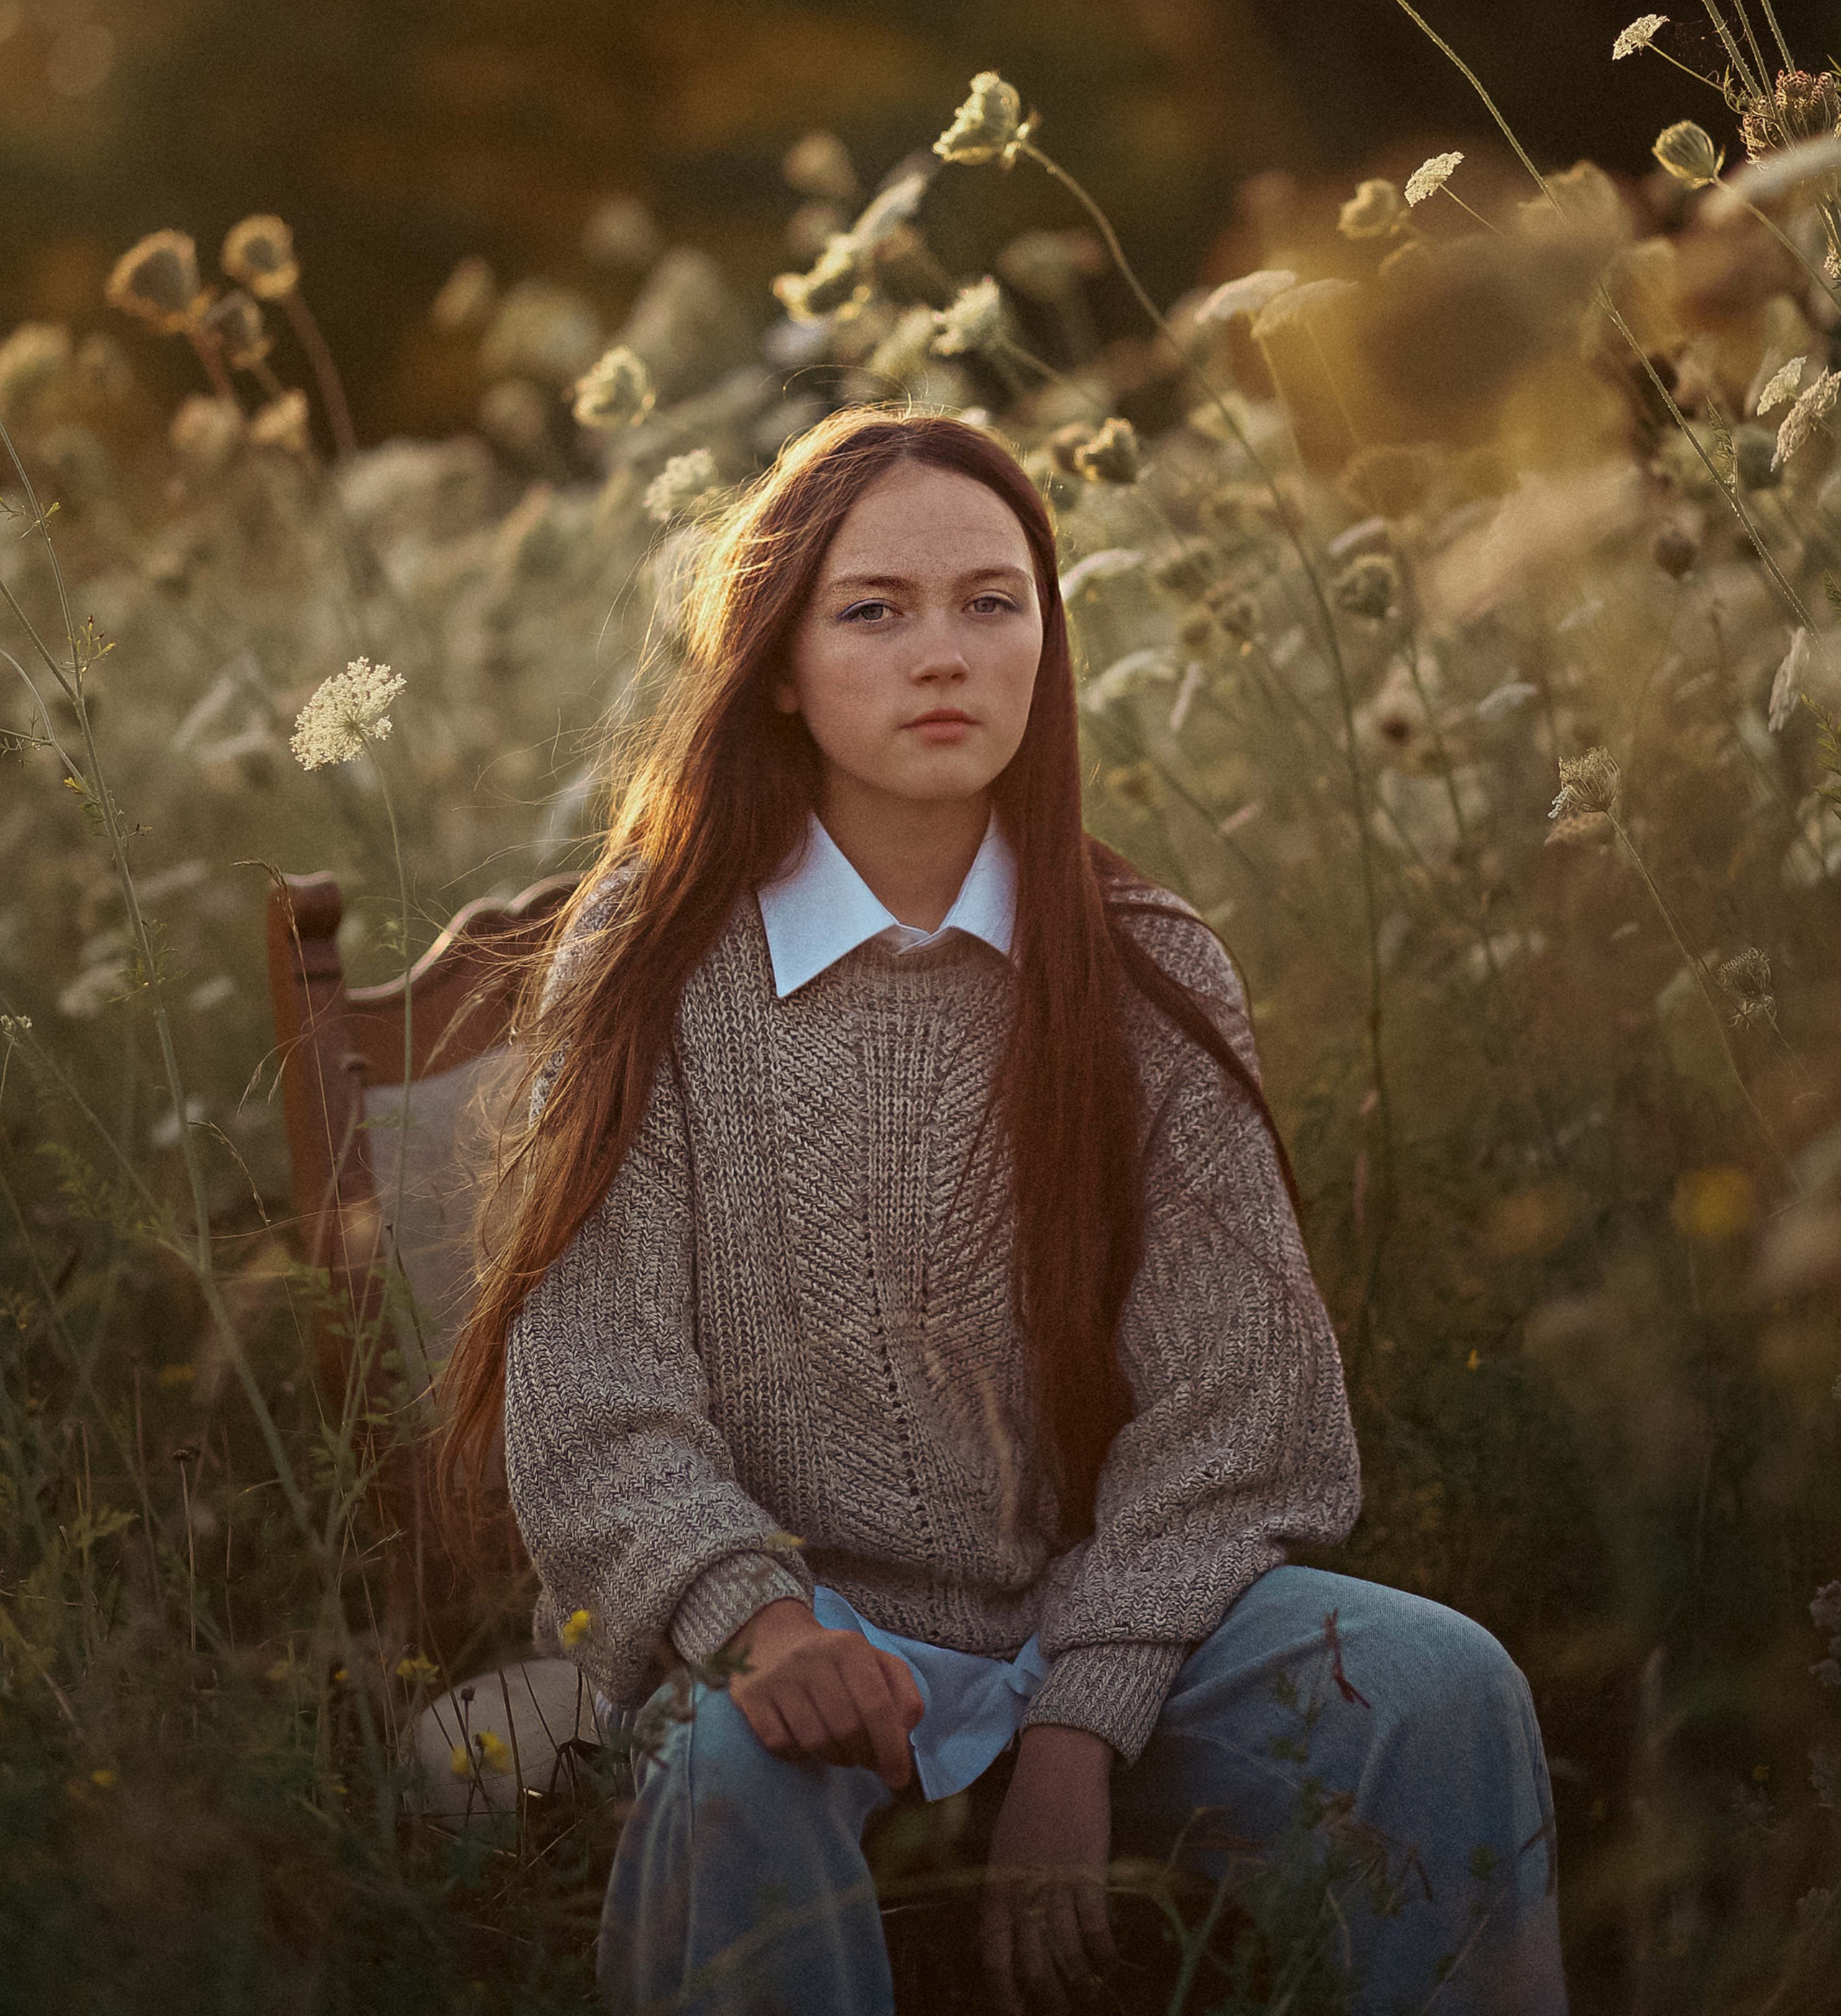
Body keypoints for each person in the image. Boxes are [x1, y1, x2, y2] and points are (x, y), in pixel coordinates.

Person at [439, 406, 1566, 2016]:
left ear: (1046, 636)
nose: (943, 656)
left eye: (990, 602)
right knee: (736, 1780)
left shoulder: (1143, 962)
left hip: (1110, 1622)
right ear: (775, 664)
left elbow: (1240, 1400)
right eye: (872, 612)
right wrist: (757, 1627)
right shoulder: (655, 950)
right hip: (783, 1636)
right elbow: (589, 1379)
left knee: (1437, 1688)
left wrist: (1078, 1718)